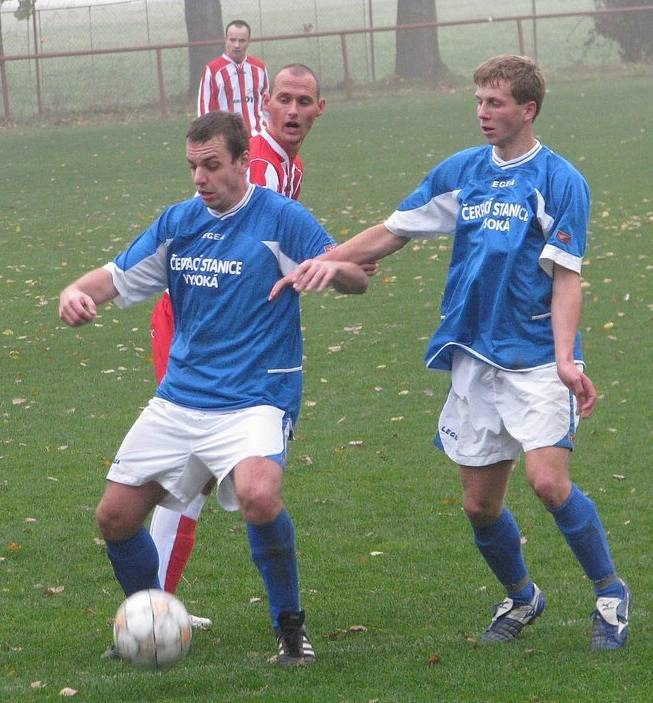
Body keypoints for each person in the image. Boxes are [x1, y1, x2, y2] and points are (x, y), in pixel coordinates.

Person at [275, 54, 630, 651]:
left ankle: (609, 594)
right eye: (479, 101)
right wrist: (328, 258)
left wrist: (567, 359)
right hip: (473, 355)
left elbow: (566, 277)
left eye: (496, 104)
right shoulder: (464, 172)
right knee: (479, 506)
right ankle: (522, 598)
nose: (483, 113)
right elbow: (395, 230)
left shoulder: (560, 180)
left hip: (539, 358)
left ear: (528, 109)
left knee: (548, 483)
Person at [58, 110, 368, 665]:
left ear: (243, 163)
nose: (200, 178)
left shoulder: (282, 219)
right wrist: (76, 292)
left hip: (256, 398)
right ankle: (148, 622)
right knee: (114, 517)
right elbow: (115, 276)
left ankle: (290, 628)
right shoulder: (178, 223)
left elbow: (356, 274)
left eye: (212, 166)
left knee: (259, 494)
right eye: (192, 167)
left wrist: (332, 272)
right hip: (182, 398)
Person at [149, 64, 326, 614]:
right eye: (283, 99)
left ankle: (154, 602)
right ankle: (151, 606)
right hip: (195, 329)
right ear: (263, 104)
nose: (293, 111)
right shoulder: (261, 174)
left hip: (219, 331)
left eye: (304, 101)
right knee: (193, 477)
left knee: (208, 481)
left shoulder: (285, 166)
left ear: (320, 109)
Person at [197, 19, 269, 135]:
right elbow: (204, 109)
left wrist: (267, 130)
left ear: (248, 41)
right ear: (226, 40)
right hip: (228, 140)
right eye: (232, 40)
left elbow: (267, 106)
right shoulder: (213, 69)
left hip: (258, 137)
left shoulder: (259, 68)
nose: (237, 45)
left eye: (241, 41)